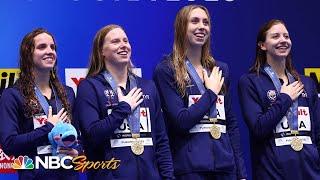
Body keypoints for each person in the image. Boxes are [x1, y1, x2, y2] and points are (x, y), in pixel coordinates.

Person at [153, 4, 247, 180]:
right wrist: (210, 93)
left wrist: (241, 173)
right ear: (182, 27)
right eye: (194, 21)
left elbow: (231, 123)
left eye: (206, 22)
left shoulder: (220, 69)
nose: (202, 27)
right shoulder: (166, 70)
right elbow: (181, 121)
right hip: (190, 169)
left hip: (226, 168)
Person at [73, 24, 174, 179]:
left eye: (125, 41)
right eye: (115, 42)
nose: (123, 45)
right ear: (101, 51)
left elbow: (161, 140)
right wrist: (123, 108)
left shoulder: (148, 86)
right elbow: (92, 135)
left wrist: (168, 177)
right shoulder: (90, 87)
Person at [238, 19, 320, 180]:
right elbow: (259, 128)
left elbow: (317, 133)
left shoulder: (307, 84)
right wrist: (284, 98)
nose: (283, 40)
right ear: (262, 45)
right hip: (273, 174)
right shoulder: (250, 82)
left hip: (310, 173)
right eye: (275, 36)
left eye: (286, 36)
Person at [0, 28, 80, 179]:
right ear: (28, 54)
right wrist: (48, 128)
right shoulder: (12, 95)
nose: (50, 51)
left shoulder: (68, 93)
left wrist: (77, 151)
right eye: (42, 47)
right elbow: (9, 144)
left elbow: (79, 137)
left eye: (53, 47)